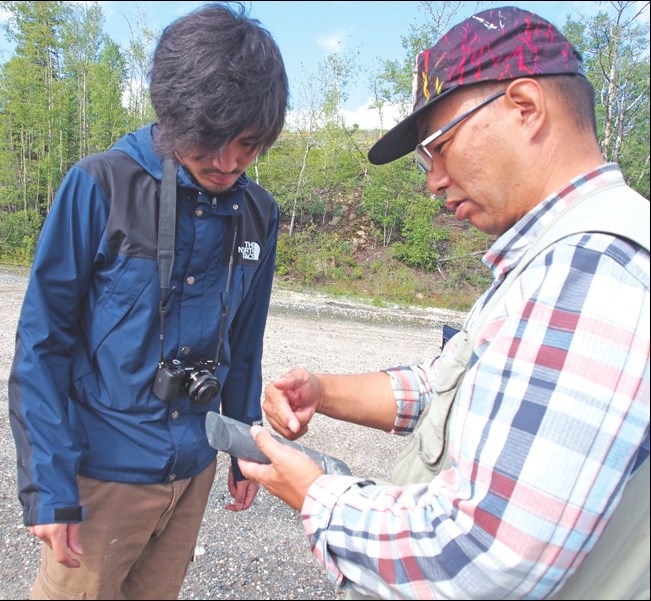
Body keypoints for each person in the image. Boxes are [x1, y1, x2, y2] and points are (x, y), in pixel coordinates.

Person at [239, 6, 649, 600]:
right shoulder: (558, 256)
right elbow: (450, 386)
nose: (432, 180)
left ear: (526, 108)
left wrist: (317, 493)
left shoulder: (591, 269)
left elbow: (488, 557)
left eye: (440, 145)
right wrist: (324, 392)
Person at [7, 3, 288, 600]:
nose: (229, 163)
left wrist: (243, 450)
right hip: (99, 476)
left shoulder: (260, 215)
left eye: (247, 144)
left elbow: (245, 340)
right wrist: (49, 487)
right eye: (211, 141)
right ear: (173, 114)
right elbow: (42, 343)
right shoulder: (99, 186)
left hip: (193, 472)